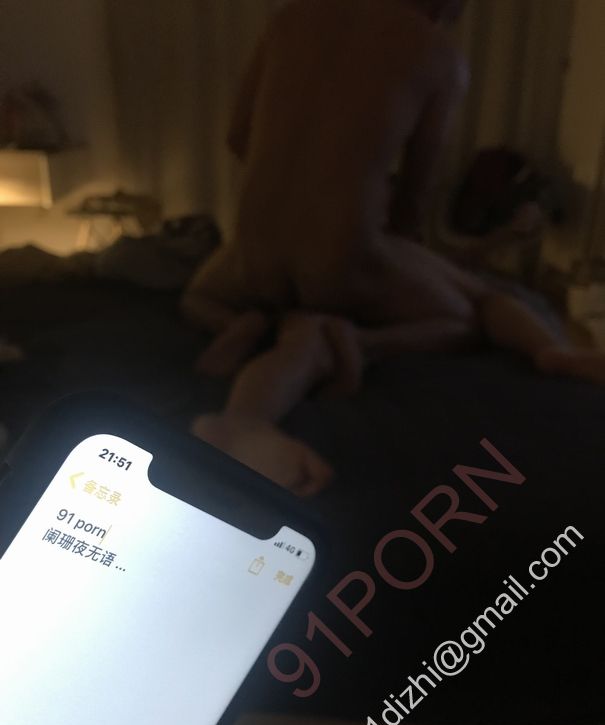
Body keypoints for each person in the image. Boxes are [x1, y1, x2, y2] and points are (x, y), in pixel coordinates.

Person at [182, 0, 605, 496]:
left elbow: (238, 138)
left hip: (253, 250)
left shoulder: (291, 17)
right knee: (478, 306)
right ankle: (550, 351)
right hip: (340, 262)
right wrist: (396, 237)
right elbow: (414, 197)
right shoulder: (439, 53)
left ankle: (242, 371)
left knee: (198, 296)